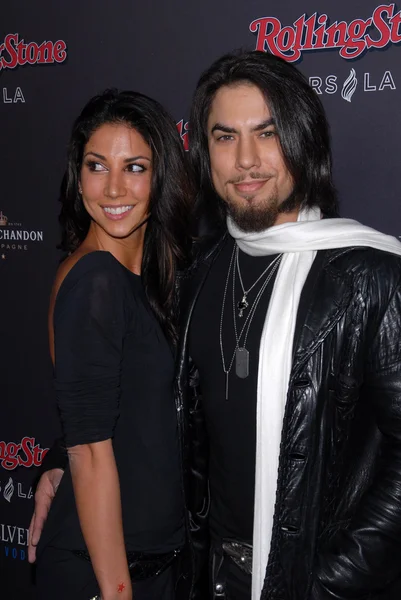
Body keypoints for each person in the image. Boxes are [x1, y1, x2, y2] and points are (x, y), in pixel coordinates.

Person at [31, 51, 401, 600]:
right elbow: (133, 391)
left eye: (267, 133)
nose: (246, 160)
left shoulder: (371, 277)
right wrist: (63, 457)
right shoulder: (194, 272)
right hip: (201, 578)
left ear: (303, 138)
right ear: (204, 154)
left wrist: (334, 581)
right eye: (225, 137)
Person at [32, 89, 192, 600]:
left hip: (154, 563)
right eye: (97, 166)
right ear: (78, 179)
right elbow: (91, 450)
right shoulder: (95, 279)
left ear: (160, 175)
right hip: (104, 574)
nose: (115, 187)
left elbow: (118, 406)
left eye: (136, 167)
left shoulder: (153, 276)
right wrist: (118, 592)